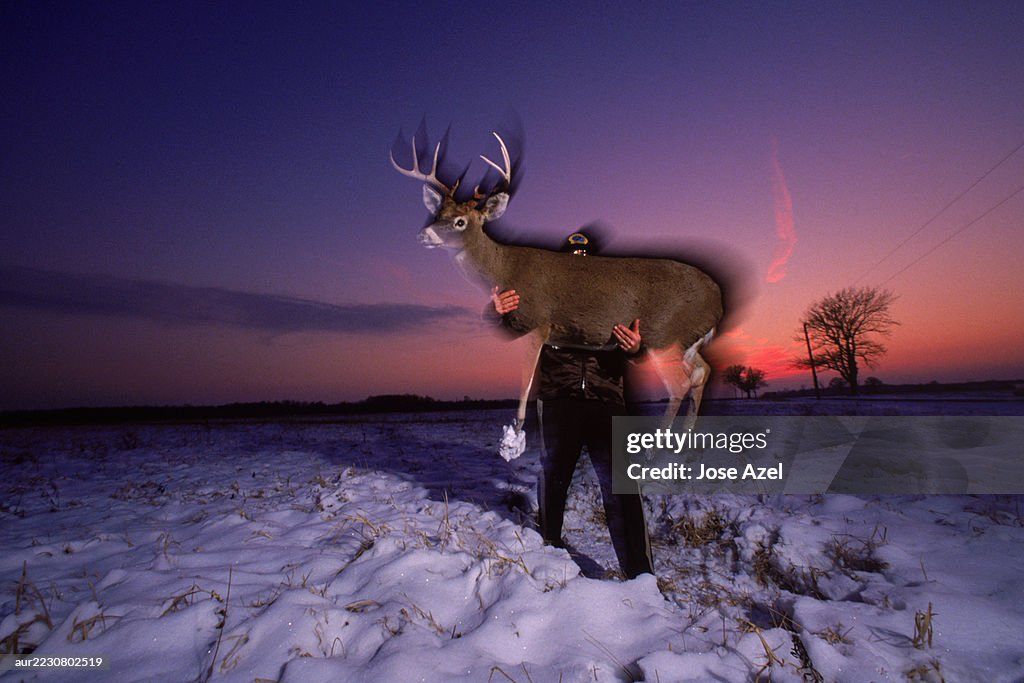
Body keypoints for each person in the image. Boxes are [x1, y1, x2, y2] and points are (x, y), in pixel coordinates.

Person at [489, 231, 654, 579]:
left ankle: (641, 577)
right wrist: (498, 312)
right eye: (570, 261)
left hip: (607, 400)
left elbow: (642, 349)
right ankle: (550, 556)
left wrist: (637, 346)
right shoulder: (546, 298)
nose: (578, 267)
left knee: (623, 487)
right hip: (558, 400)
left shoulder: (617, 301)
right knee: (554, 479)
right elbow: (516, 323)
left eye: (585, 262)